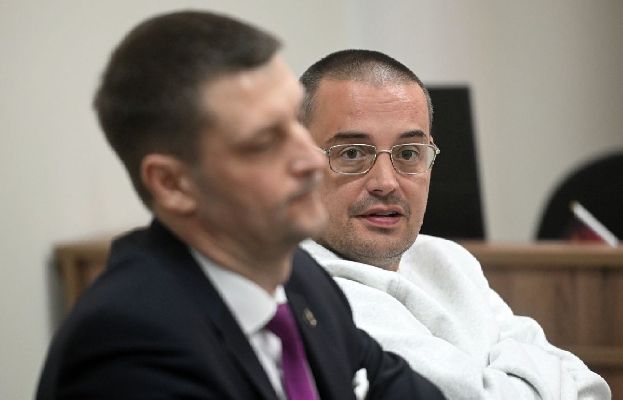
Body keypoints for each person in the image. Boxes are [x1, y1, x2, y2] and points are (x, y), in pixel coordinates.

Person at [35, 13, 445, 400]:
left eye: (295, 126)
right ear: (173, 184)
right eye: (265, 141)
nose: (310, 160)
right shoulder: (126, 347)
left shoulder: (301, 279)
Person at [299, 49, 611, 399]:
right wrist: (518, 367)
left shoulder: (446, 258)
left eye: (408, 153)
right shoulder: (310, 291)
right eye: (352, 153)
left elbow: (589, 388)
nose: (386, 182)